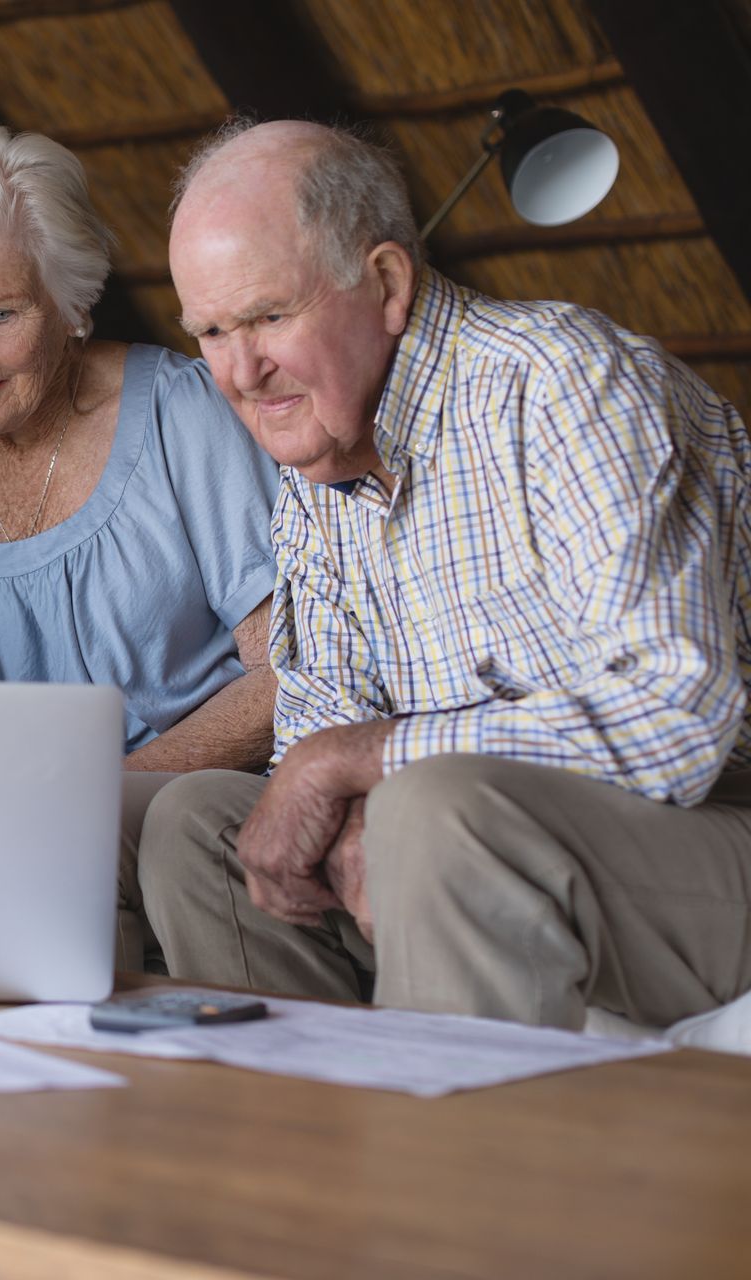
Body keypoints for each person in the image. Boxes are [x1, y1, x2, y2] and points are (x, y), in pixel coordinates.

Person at [141, 118, 751, 1028]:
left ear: (386, 284)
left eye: (270, 316)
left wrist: (368, 765)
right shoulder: (316, 468)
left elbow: (681, 716)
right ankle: (299, 1146)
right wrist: (346, 790)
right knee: (196, 824)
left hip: (713, 830)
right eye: (213, 331)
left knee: (434, 810)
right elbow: (318, 733)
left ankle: (446, 1158)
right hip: (491, 844)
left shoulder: (564, 387)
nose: (242, 372)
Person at [0, 127, 282, 969]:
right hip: (24, 837)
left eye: (2, 314)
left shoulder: (182, 415)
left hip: (197, 814)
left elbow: (287, 673)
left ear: (73, 306)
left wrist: (95, 801)